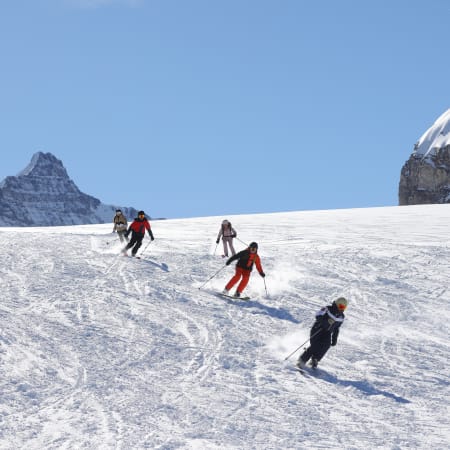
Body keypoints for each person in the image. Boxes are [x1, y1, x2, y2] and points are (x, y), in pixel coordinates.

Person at [297, 297, 348, 369]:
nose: (342, 309)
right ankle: (302, 360)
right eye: (341, 306)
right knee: (315, 345)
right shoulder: (328, 309)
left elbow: (336, 328)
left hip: (327, 332)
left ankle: (315, 359)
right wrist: (326, 322)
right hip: (318, 328)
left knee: (326, 345)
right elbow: (318, 315)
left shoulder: (341, 317)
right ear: (337, 304)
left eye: (344, 307)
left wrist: (334, 338)